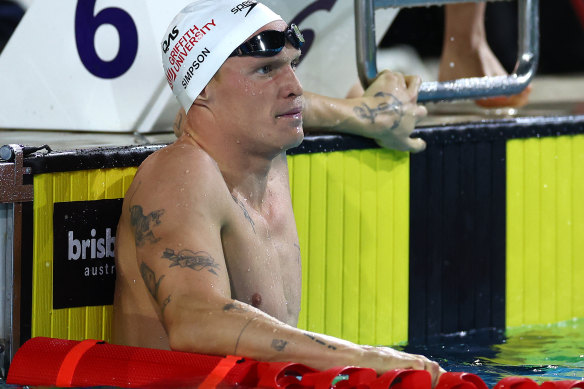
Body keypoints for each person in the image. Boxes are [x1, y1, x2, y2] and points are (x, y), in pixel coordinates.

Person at [112, 0, 442, 385]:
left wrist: (369, 114)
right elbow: (193, 321)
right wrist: (365, 357)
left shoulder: (262, 149)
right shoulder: (183, 174)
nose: (295, 88)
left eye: (292, 66)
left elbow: (292, 103)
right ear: (201, 93)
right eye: (266, 69)